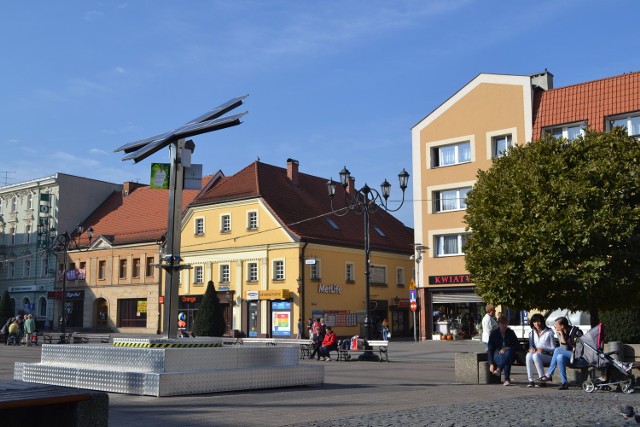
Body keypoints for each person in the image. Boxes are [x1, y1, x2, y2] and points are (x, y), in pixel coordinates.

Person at [539, 316, 583, 390]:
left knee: (557, 350)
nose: (555, 327)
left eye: (556, 325)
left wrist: (572, 350)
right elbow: (564, 349)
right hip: (571, 358)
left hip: (580, 358)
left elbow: (580, 351)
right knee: (560, 357)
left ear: (562, 326)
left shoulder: (576, 332)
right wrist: (561, 335)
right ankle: (564, 383)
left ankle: (549, 373)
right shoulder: (561, 333)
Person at [525, 313, 557, 387]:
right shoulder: (532, 333)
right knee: (528, 355)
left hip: (548, 356)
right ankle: (531, 381)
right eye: (534, 322)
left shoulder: (549, 332)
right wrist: (531, 349)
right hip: (537, 354)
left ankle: (542, 380)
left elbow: (554, 349)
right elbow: (530, 345)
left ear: (542, 322)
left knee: (536, 356)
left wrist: (543, 349)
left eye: (538, 321)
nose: (537, 324)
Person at [487, 314, 519, 386]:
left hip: (509, 354)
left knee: (508, 353)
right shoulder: (494, 334)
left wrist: (508, 347)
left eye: (506, 324)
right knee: (507, 358)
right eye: (502, 324)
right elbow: (490, 349)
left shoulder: (511, 333)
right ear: (499, 324)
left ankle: (499, 369)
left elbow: (517, 345)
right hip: (498, 355)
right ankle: (507, 379)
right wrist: (491, 363)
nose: (504, 326)